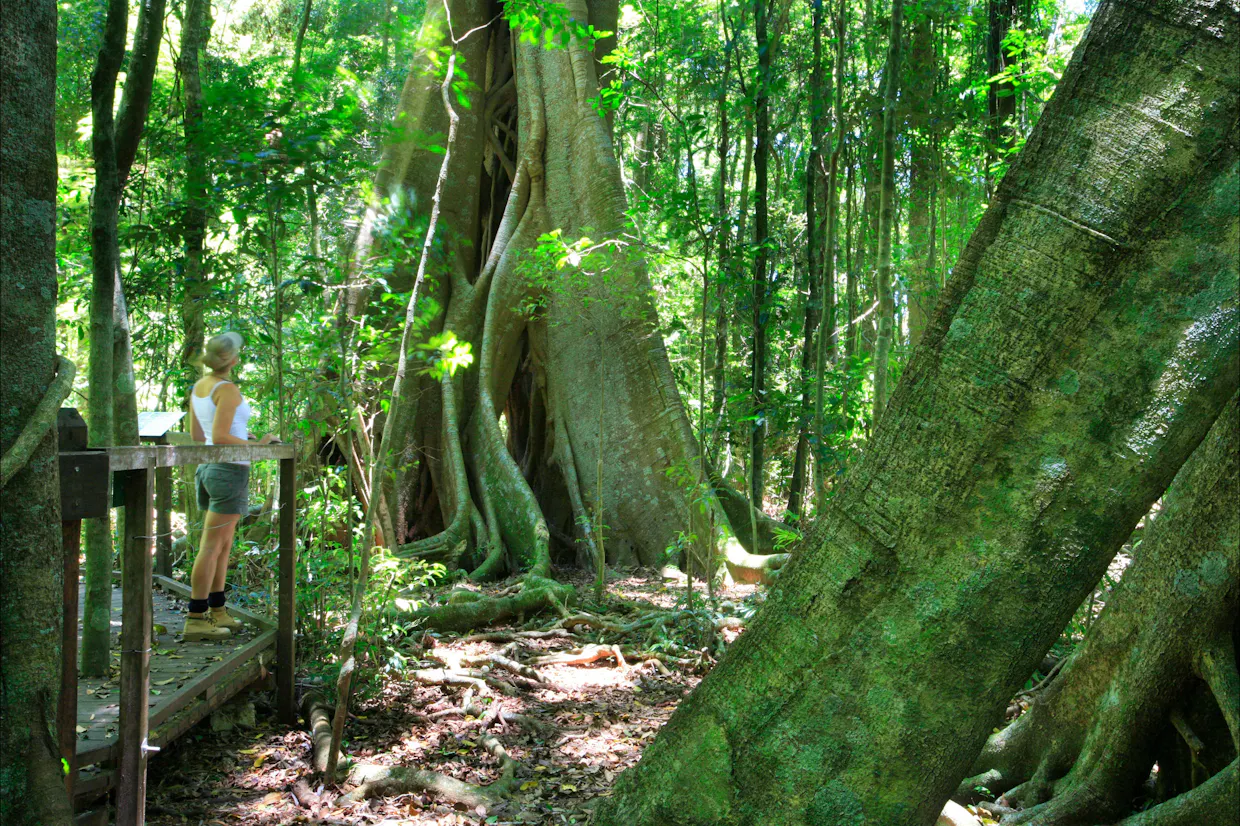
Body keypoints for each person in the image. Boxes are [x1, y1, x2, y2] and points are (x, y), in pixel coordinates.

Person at [184, 332, 274, 641]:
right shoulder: (229, 390)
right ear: (234, 360)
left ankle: (217, 609)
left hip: (208, 468)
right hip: (228, 470)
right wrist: (259, 443)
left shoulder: (200, 387)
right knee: (211, 547)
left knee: (222, 546)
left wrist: (242, 438)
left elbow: (199, 435)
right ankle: (195, 617)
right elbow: (221, 436)